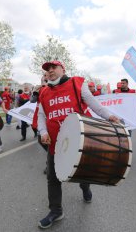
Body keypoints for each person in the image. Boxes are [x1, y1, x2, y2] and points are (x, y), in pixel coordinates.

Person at [37, 60, 119, 229]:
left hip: (78, 140)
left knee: (81, 171)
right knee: (53, 178)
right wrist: (43, 132)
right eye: (47, 69)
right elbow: (41, 116)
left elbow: (93, 103)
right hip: (55, 143)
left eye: (54, 67)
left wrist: (109, 116)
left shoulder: (76, 83)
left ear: (63, 68)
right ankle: (56, 211)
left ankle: (84, 186)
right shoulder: (44, 92)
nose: (50, 71)